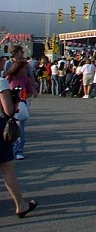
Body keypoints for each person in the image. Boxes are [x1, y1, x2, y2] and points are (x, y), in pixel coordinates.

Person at [0, 55, 37, 218]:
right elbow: (8, 110)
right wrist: (15, 100)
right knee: (7, 168)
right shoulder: (1, 83)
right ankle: (20, 205)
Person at [6, 60, 37, 161]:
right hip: (9, 105)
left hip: (20, 104)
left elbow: (30, 92)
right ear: (19, 68)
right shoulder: (9, 78)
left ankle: (19, 150)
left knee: (20, 128)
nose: (27, 70)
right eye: (25, 68)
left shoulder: (25, 79)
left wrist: (22, 97)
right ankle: (10, 147)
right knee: (9, 127)